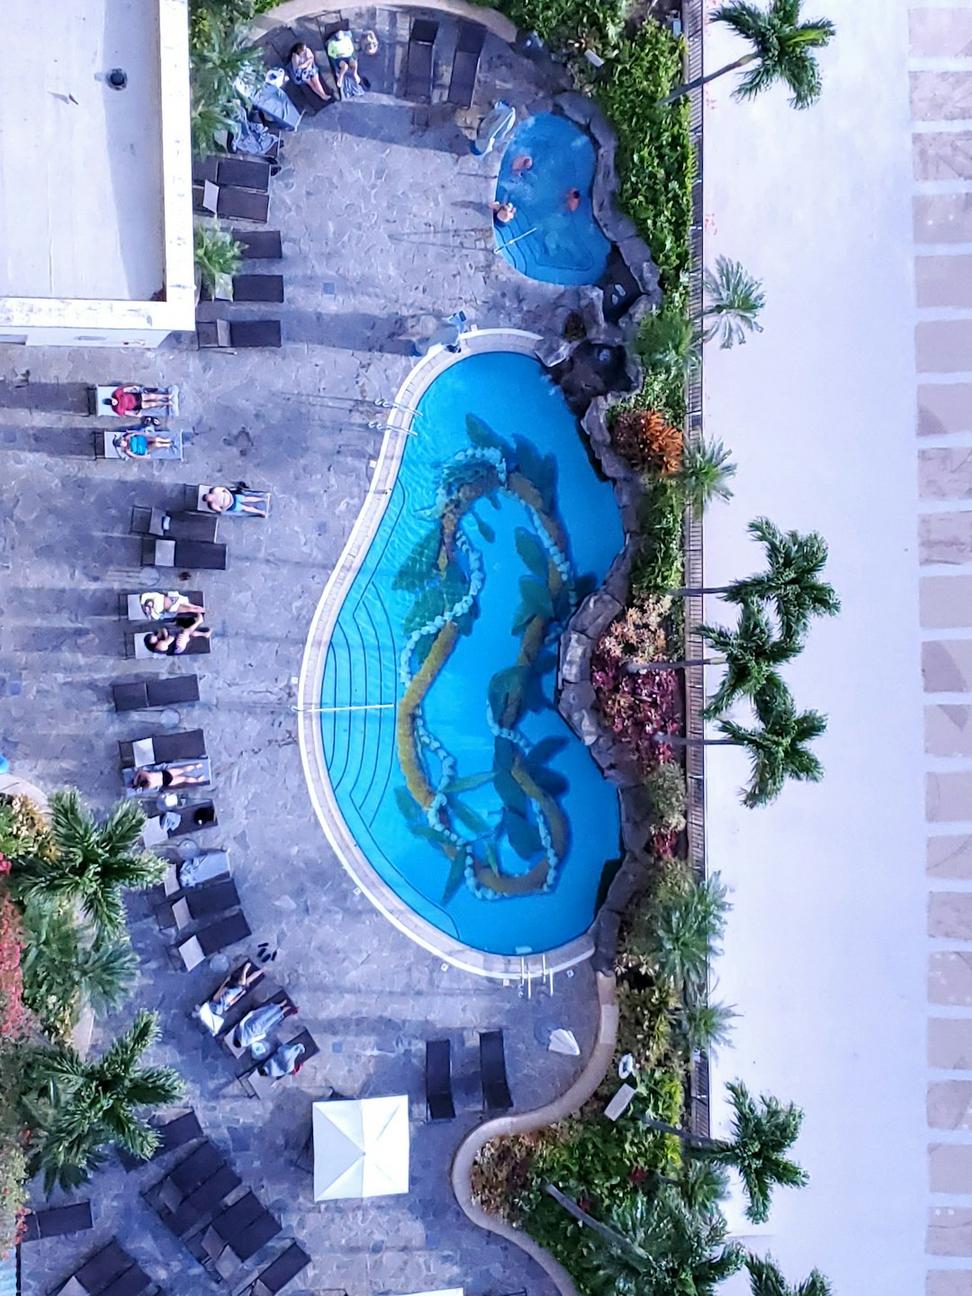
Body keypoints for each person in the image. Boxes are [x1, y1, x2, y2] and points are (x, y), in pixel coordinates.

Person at [196, 961, 261, 1035]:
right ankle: (246, 970)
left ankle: (258, 970)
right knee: (245, 981)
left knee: (247, 981)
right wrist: (226, 982)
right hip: (234, 989)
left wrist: (241, 994)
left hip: (236, 991)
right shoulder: (217, 1000)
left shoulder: (224, 1007)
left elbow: (232, 1000)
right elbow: (221, 990)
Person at [144, 614, 211, 656]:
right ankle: (199, 621)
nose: (156, 638)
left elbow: (163, 629)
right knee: (185, 632)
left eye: (154, 637)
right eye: (155, 640)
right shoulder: (160, 646)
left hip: (174, 640)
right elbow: (171, 638)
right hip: (177, 647)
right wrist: (166, 634)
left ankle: (205, 634)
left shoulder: (157, 637)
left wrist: (164, 633)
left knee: (187, 632)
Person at [132, 760, 208, 792]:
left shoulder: (148, 786)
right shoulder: (148, 775)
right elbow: (140, 771)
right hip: (165, 774)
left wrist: (137, 784)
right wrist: (136, 777)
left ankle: (197, 780)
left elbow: (138, 785)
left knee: (184, 779)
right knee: (182, 770)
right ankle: (196, 766)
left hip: (166, 782)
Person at [326, 29, 360, 97]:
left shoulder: (347, 39)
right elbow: (330, 52)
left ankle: (355, 74)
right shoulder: (332, 42)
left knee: (354, 64)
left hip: (348, 56)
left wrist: (346, 53)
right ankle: (340, 78)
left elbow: (351, 49)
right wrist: (336, 55)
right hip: (339, 58)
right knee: (345, 66)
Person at [201, 484, 269, 517]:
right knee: (245, 508)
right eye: (208, 499)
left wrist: (229, 494)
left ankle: (262, 499)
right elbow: (221, 510)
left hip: (232, 497)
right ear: (208, 501)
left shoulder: (215, 490)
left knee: (246, 498)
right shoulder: (213, 505)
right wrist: (227, 506)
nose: (210, 498)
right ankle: (261, 512)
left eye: (209, 496)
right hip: (232, 505)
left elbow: (224, 489)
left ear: (209, 494)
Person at [139, 590, 204, 620]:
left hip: (172, 599)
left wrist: (142, 603)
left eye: (148, 604)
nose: (150, 605)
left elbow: (144, 596)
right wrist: (151, 611)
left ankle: (198, 608)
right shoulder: (155, 611)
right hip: (171, 608)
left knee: (188, 605)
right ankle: (198, 611)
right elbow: (157, 617)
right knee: (188, 609)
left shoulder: (155, 596)